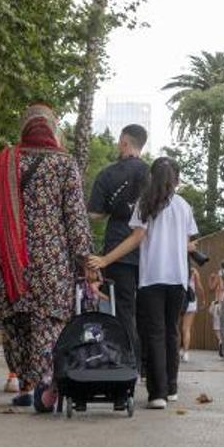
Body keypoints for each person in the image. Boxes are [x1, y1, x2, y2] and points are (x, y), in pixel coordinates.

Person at [0, 104, 95, 413]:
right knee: (47, 324)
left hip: (10, 261)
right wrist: (85, 258)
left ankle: (28, 384)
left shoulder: (4, 162)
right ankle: (44, 382)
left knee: (17, 326)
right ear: (52, 129)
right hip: (51, 260)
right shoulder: (64, 163)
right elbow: (75, 217)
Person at [90, 157, 198, 409]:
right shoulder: (184, 206)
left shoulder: (145, 203)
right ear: (177, 180)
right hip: (178, 279)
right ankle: (171, 388)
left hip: (152, 278)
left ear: (151, 177)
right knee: (171, 331)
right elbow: (186, 241)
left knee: (155, 333)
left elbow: (136, 239)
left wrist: (106, 259)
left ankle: (157, 394)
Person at [88, 124, 150, 369]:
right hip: (150, 251)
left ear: (125, 143)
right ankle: (148, 365)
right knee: (148, 312)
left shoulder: (107, 174)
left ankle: (126, 362)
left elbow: (93, 213)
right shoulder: (152, 174)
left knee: (122, 309)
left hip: (117, 251)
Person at [180, 266, 201, 362]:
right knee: (186, 328)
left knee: (176, 327)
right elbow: (199, 287)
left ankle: (177, 351)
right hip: (191, 300)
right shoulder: (194, 271)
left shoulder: (179, 268)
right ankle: (186, 352)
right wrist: (204, 299)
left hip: (179, 299)